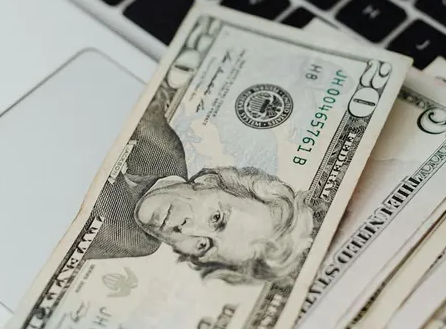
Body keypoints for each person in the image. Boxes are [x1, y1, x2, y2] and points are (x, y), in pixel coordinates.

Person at [83, 86, 323, 287]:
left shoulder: (135, 242)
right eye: (216, 218)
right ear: (208, 181)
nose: (188, 230)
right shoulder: (161, 149)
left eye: (202, 246)